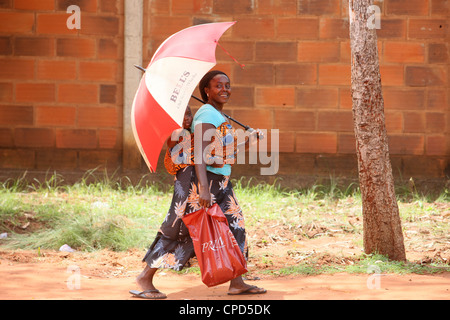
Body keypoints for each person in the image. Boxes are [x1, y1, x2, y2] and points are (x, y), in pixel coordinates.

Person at [130, 71, 265, 299]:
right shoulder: (206, 116)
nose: (224, 89)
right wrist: (203, 188)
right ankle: (145, 277)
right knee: (181, 228)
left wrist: (250, 140)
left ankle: (237, 281)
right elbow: (199, 155)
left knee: (235, 226)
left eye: (227, 85)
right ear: (207, 91)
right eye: (217, 86)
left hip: (220, 182)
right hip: (201, 183)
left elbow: (225, 153)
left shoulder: (216, 115)